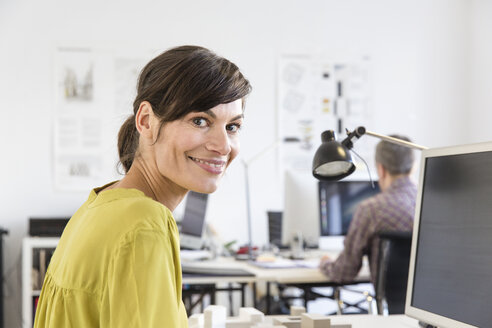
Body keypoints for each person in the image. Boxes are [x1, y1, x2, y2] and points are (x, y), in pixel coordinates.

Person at [34, 45, 251, 327]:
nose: (223, 146)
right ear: (146, 121)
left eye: (232, 126)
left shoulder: (98, 205)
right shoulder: (145, 224)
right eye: (200, 121)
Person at [319, 135, 417, 286]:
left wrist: (325, 263)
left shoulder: (371, 209)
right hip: (429, 304)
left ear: (381, 169)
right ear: (413, 166)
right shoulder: (432, 204)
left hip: (389, 303)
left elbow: (344, 272)